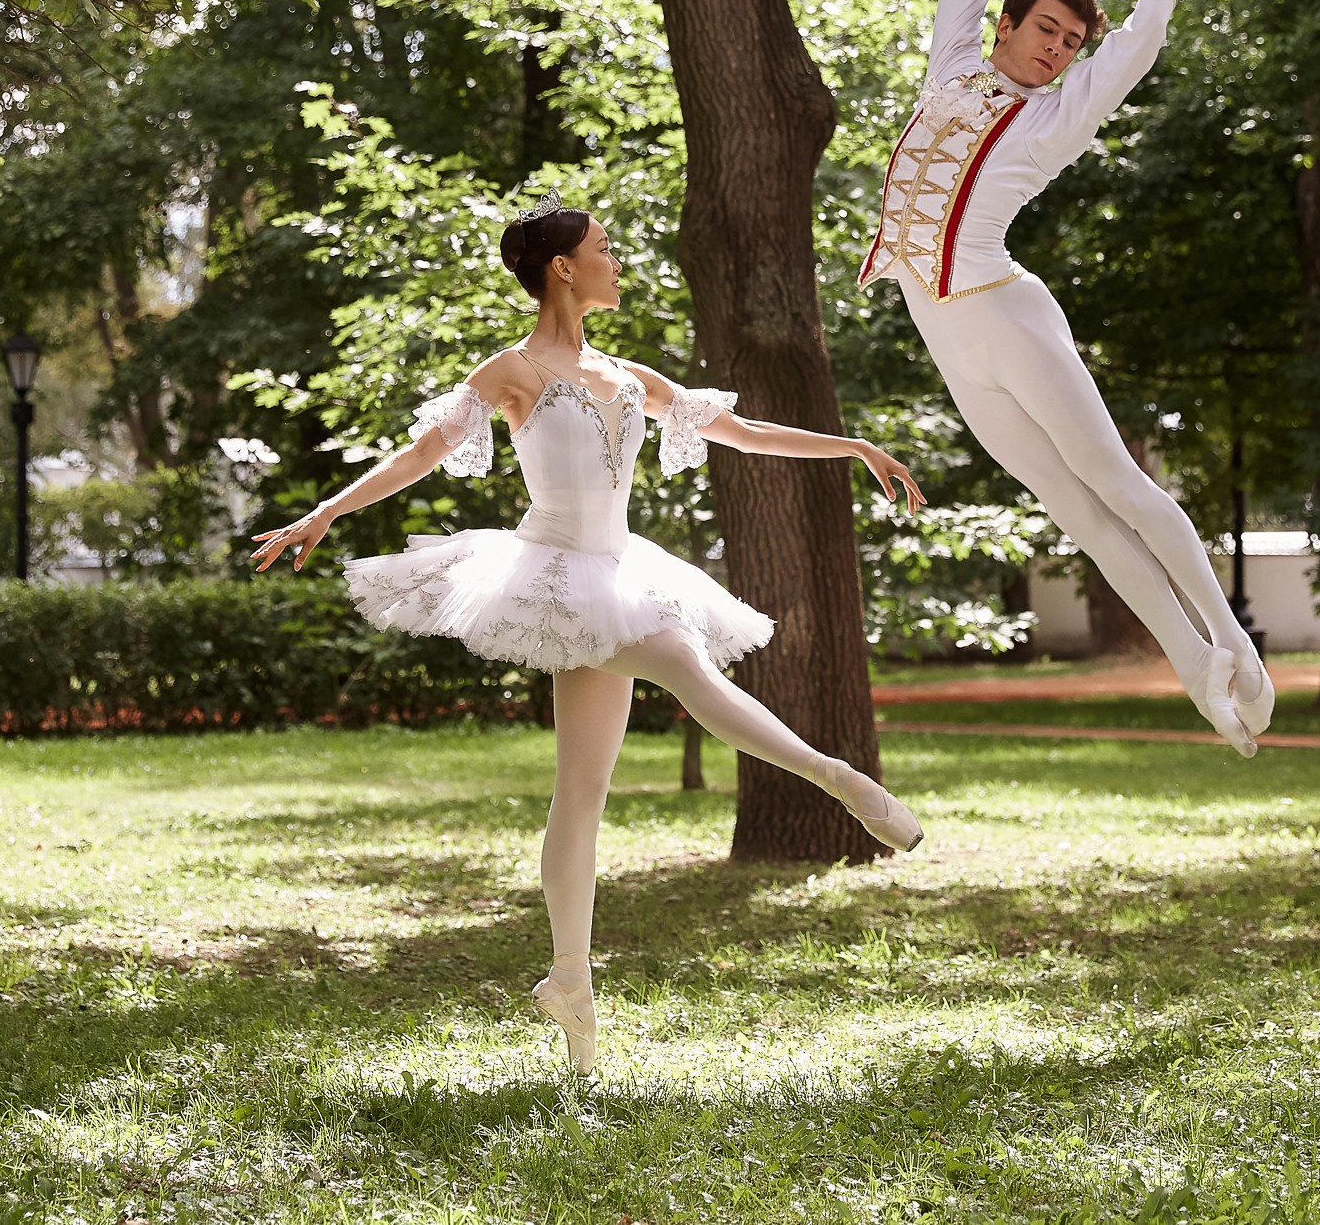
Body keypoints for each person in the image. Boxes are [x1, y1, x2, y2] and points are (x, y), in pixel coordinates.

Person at [250, 204, 930, 1073]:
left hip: (618, 569)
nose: (616, 259)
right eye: (603, 249)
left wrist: (852, 446)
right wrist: (325, 510)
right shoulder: (513, 370)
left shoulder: (624, 373)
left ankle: (570, 982)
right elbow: (421, 452)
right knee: (682, 663)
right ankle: (845, 784)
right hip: (555, 568)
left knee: (581, 791)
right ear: (563, 269)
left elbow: (744, 433)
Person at [858, 0, 1275, 755]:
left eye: (1070, 39)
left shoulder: (1058, 115)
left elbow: (1135, 44)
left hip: (1007, 313)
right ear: (1008, 26)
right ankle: (1198, 672)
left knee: (1115, 482)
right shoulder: (952, 65)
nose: (1058, 48)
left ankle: (1234, 642)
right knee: (1074, 512)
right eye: (1046, 28)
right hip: (945, 334)